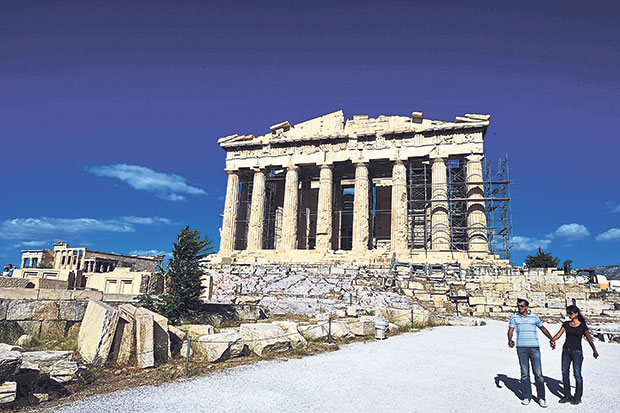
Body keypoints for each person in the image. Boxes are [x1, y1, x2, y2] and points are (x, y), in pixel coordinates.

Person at [507, 298, 554, 407]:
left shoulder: (534, 317)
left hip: (534, 348)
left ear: (527, 307)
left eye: (522, 306)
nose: (519, 307)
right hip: (521, 348)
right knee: (524, 374)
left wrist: (551, 339)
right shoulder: (514, 317)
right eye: (518, 306)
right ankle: (527, 396)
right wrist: (510, 340)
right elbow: (510, 330)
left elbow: (542, 328)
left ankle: (541, 398)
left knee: (538, 374)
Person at [550, 305, 599, 405]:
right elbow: (559, 334)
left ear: (576, 314)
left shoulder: (582, 326)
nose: (568, 315)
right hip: (566, 351)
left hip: (577, 352)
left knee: (577, 374)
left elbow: (589, 339)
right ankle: (567, 395)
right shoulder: (566, 324)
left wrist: (594, 351)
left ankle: (577, 397)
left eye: (570, 313)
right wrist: (552, 340)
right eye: (567, 313)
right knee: (564, 373)